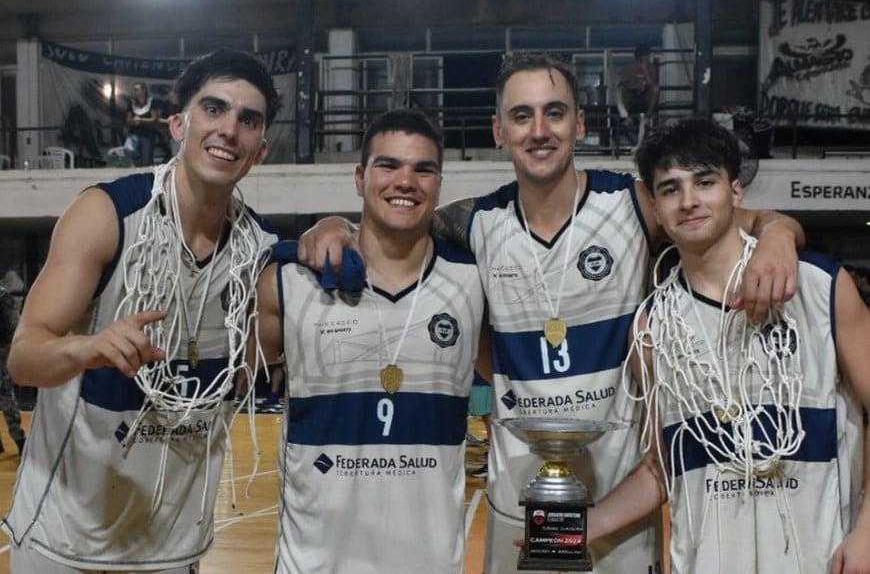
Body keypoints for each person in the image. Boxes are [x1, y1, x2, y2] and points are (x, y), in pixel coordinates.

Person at [298, 51, 804, 573]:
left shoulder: (633, 204)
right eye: (521, 116)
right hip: (516, 494)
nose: (539, 130)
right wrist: (337, 224)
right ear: (498, 129)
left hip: (620, 502)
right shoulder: (475, 223)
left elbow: (737, 217)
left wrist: (777, 234)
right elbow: (390, 225)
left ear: (579, 123)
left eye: (555, 112)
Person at [2, 48, 282, 573]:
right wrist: (84, 347)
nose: (229, 130)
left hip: (172, 548)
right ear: (179, 123)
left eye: (248, 120)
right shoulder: (106, 215)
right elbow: (24, 357)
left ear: (260, 149)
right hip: (64, 538)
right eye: (214, 109)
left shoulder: (259, 251)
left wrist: (330, 227)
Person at [588, 117, 870, 573]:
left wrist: (868, 533)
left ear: (735, 192)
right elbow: (661, 468)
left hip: (818, 560)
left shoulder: (820, 286)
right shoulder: (652, 326)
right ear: (656, 209)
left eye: (705, 182)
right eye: (671, 189)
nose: (689, 201)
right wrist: (576, 526)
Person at [255, 108, 486, 573]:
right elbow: (229, 386)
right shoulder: (289, 282)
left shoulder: (475, 281)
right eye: (388, 166)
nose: (406, 180)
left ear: (439, 185)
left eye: (423, 169)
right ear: (360, 178)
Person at [0, 282, 25, 456]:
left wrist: (12, 348)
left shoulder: (2, 296)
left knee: (5, 395)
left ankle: (20, 440)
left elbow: (14, 324)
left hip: (1, 349)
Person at [618, 44, 659, 127]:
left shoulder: (652, 68)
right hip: (632, 93)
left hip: (646, 93)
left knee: (656, 89)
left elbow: (652, 84)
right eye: (646, 55)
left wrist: (645, 71)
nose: (648, 58)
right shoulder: (629, 68)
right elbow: (623, 84)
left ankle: (647, 117)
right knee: (620, 90)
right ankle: (627, 117)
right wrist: (632, 84)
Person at [124, 81, 159, 166]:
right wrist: (133, 120)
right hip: (134, 134)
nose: (134, 92)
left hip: (146, 134)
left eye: (136, 89)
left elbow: (154, 118)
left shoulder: (151, 102)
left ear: (144, 91)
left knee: (146, 161)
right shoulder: (131, 103)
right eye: (134, 90)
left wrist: (140, 120)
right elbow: (128, 119)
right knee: (128, 151)